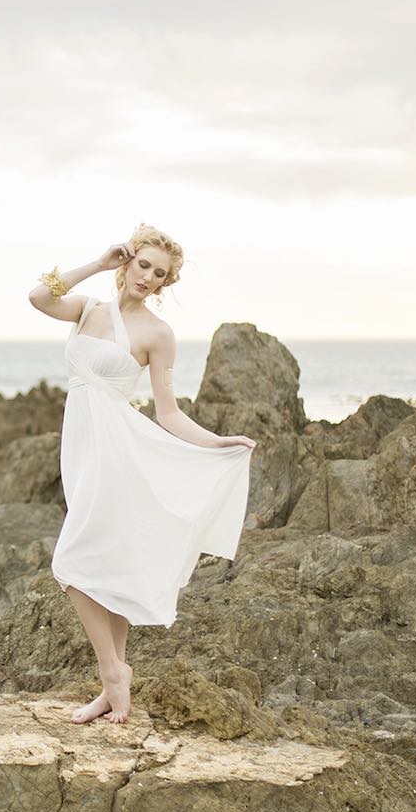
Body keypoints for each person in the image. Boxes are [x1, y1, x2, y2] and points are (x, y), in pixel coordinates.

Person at [27, 223, 256, 725]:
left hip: (118, 450)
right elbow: (39, 296)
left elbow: (168, 413)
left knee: (70, 560)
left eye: (160, 273)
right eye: (143, 265)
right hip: (82, 447)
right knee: (111, 561)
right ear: (128, 262)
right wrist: (97, 262)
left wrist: (217, 442)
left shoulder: (158, 334)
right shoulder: (88, 309)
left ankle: (113, 672)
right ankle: (115, 686)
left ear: (166, 283)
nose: (149, 277)